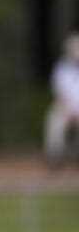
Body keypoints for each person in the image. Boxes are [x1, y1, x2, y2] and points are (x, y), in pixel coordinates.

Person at [44, 33, 79, 168]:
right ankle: (54, 158)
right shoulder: (62, 69)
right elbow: (59, 95)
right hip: (65, 109)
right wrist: (69, 111)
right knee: (54, 120)